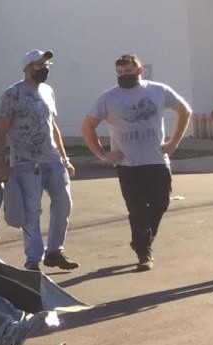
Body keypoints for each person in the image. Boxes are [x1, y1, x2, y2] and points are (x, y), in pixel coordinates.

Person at [81, 54, 191, 272]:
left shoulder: (157, 90)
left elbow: (184, 110)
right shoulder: (108, 98)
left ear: (140, 71)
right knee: (137, 210)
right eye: (120, 73)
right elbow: (87, 127)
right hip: (128, 166)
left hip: (157, 161)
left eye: (128, 72)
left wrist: (173, 142)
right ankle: (144, 253)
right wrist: (103, 154)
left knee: (161, 204)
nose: (124, 76)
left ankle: (143, 240)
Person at [0, 49, 78, 271]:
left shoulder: (48, 91)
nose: (45, 69)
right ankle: (33, 259)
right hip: (25, 163)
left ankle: (55, 252)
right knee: (31, 210)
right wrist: (1, 165)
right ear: (27, 67)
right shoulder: (12, 94)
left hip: (52, 159)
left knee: (64, 204)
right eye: (40, 65)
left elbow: (54, 126)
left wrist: (65, 158)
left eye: (47, 65)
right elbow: (1, 130)